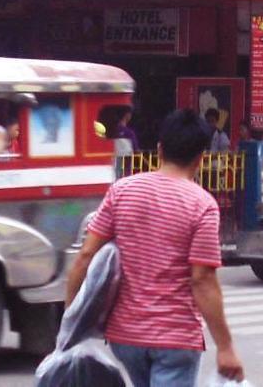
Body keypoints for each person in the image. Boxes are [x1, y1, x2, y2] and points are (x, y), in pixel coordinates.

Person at [63, 109, 244, 385]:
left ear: (159, 149)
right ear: (201, 158)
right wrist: (226, 347)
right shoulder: (202, 205)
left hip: (126, 338)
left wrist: (70, 321)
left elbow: (86, 256)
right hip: (175, 340)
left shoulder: (122, 191)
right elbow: (203, 280)